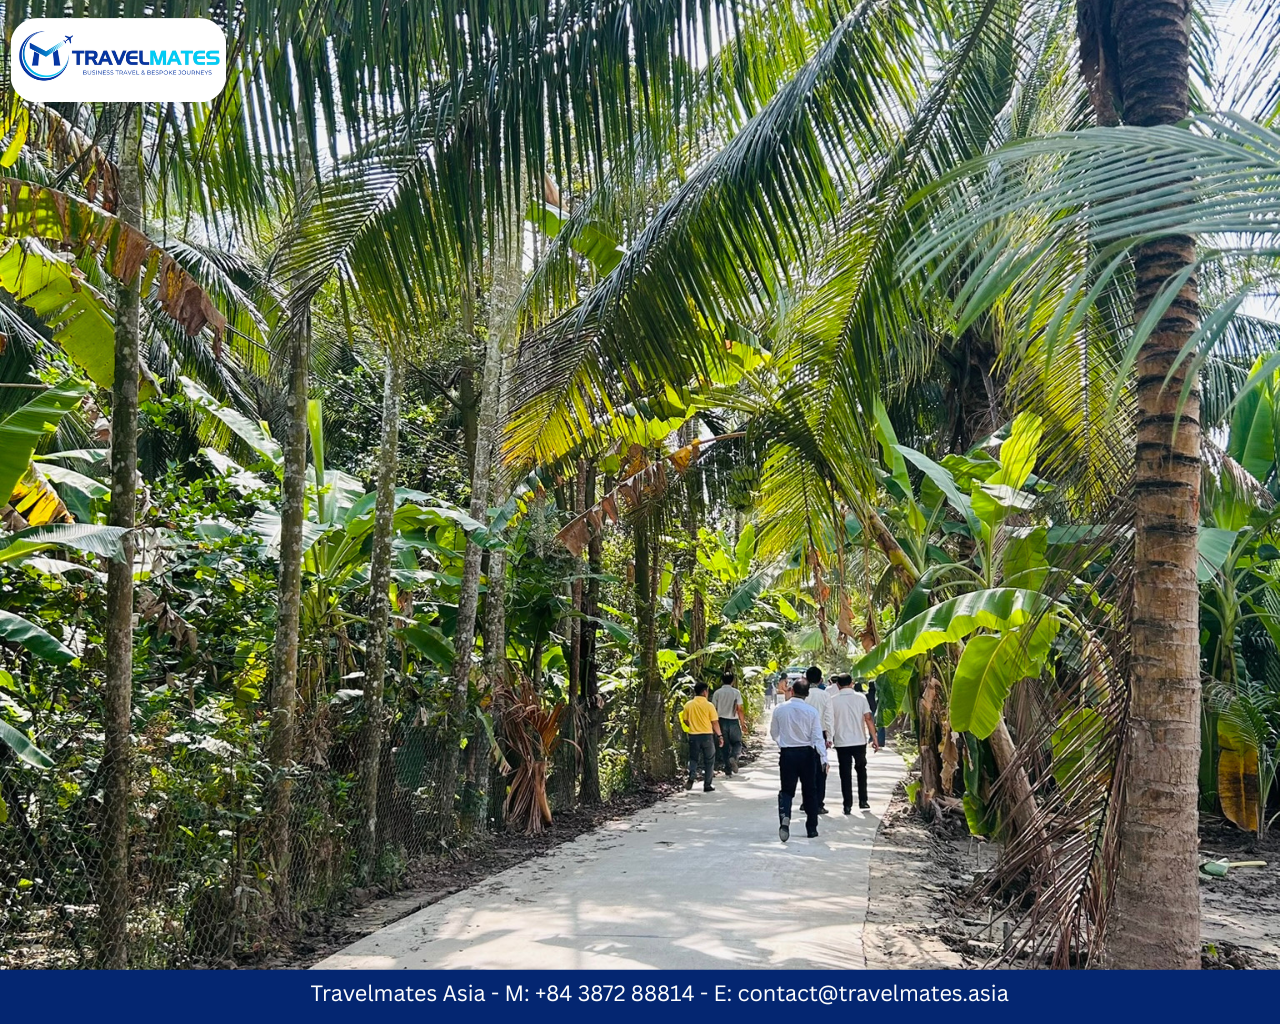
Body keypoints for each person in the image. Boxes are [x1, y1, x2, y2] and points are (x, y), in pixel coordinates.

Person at [769, 678, 827, 841]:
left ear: (792, 691)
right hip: (807, 754)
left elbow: (774, 732)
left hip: (788, 753)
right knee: (810, 791)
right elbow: (817, 737)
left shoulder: (780, 709)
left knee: (787, 790)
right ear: (807, 694)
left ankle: (785, 817)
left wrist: (782, 743)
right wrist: (824, 758)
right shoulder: (811, 711)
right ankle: (812, 828)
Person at [832, 674, 879, 811]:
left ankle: (847, 804)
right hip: (859, 740)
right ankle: (863, 801)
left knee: (845, 773)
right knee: (861, 770)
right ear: (852, 683)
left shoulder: (832, 700)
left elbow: (830, 721)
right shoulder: (861, 698)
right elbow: (868, 718)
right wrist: (874, 738)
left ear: (838, 685)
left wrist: (829, 738)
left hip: (841, 742)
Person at [680, 681, 723, 792]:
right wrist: (720, 736)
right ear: (704, 692)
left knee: (693, 758)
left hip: (693, 736)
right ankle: (707, 785)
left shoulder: (688, 705)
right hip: (707, 736)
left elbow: (685, 720)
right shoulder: (709, 705)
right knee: (709, 760)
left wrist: (693, 725)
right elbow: (714, 722)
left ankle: (692, 774)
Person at [802, 666, 833, 814]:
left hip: (803, 735)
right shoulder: (825, 695)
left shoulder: (802, 694)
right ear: (820, 680)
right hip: (820, 734)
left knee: (806, 769)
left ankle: (806, 802)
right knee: (821, 769)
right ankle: (819, 803)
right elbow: (828, 717)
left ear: (806, 679)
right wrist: (830, 737)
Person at [712, 670, 746, 775]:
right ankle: (733, 757)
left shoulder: (717, 693)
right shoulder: (736, 692)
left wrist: (713, 724)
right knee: (737, 743)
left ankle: (727, 769)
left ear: (722, 680)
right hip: (733, 721)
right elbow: (740, 709)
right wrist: (743, 723)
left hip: (721, 721)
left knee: (724, 746)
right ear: (733, 681)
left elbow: (713, 709)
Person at [861, 679, 887, 748]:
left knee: (871, 727)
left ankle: (871, 740)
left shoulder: (866, 695)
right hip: (879, 712)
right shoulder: (879, 694)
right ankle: (880, 742)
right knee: (880, 727)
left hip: (870, 712)